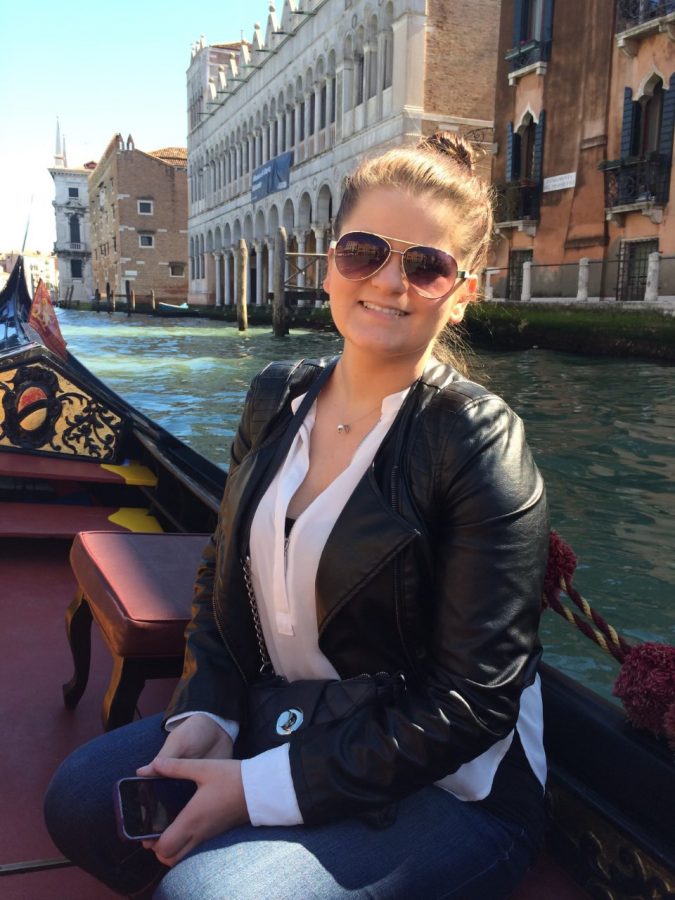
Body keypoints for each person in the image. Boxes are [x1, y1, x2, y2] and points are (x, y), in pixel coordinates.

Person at [45, 134, 549, 900]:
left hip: (446, 784)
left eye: (425, 265)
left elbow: (471, 705)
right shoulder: (276, 396)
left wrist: (253, 790)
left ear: (462, 291)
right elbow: (224, 578)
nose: (389, 281)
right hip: (289, 716)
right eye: (364, 251)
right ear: (330, 259)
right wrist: (204, 716)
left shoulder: (478, 442)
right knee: (79, 801)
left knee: (206, 894)